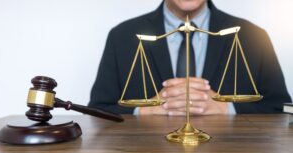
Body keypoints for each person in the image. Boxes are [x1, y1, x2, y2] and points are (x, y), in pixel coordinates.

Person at [88, 0, 291, 115]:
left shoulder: (252, 36)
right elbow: (98, 111)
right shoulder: (122, 36)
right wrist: (143, 111)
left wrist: (226, 108)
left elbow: (281, 110)